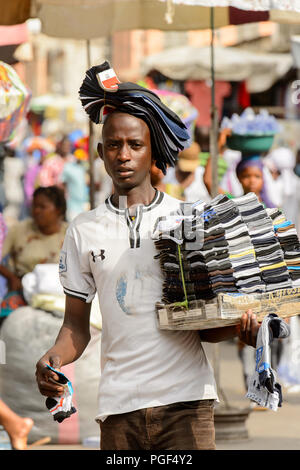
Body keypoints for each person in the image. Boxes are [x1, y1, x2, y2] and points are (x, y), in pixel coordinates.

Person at [35, 64, 259, 451]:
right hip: (119, 410)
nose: (124, 155)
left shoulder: (188, 220)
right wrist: (53, 358)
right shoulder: (84, 230)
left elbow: (204, 325)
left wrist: (244, 331)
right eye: (114, 145)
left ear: (152, 149)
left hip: (186, 406)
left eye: (135, 145)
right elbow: (76, 325)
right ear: (101, 152)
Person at [0, 185, 67, 298]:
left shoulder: (70, 233)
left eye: (42, 207)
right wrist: (11, 278)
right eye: (34, 206)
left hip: (59, 293)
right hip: (21, 290)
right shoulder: (19, 230)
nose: (36, 211)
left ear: (58, 210)